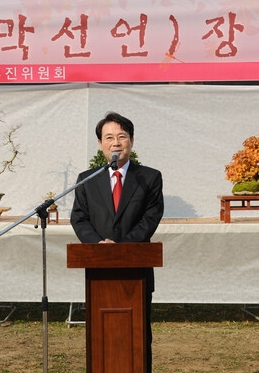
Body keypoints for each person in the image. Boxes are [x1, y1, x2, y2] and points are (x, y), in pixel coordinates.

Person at [70, 111, 164, 372]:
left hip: (137, 269)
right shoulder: (87, 180)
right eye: (108, 137)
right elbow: (79, 218)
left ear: (131, 141)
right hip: (99, 270)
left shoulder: (149, 177)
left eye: (122, 136)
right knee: (102, 335)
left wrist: (121, 248)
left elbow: (150, 218)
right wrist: (99, 246)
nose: (116, 142)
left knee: (138, 334)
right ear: (100, 144)